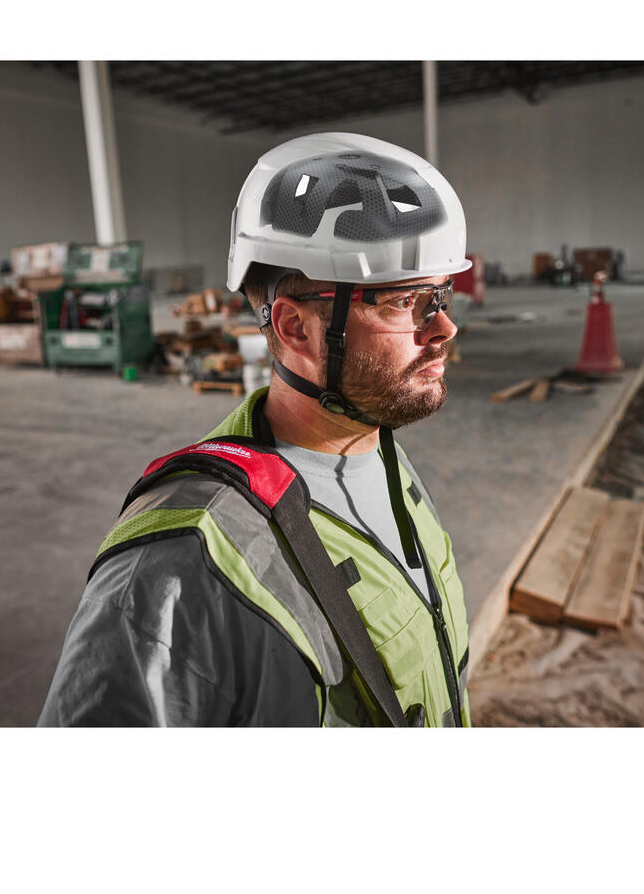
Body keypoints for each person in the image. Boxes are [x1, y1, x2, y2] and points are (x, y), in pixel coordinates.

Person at [38, 131, 473, 727]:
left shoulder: (379, 454)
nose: (444, 327)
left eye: (440, 296)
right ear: (296, 328)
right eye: (403, 302)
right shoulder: (182, 564)